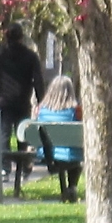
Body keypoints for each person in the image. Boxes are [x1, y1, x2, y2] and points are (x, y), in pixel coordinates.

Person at [0, 23, 47, 186]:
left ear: (5, 37)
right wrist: (40, 100)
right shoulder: (30, 56)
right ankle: (23, 169)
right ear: (21, 37)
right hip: (22, 101)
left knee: (3, 135)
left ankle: (4, 169)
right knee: (23, 136)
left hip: (2, 101)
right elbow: (38, 81)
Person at [32, 75, 83, 203]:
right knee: (74, 153)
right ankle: (72, 187)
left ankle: (69, 190)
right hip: (71, 155)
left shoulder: (41, 110)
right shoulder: (75, 110)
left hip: (48, 155)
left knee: (67, 152)